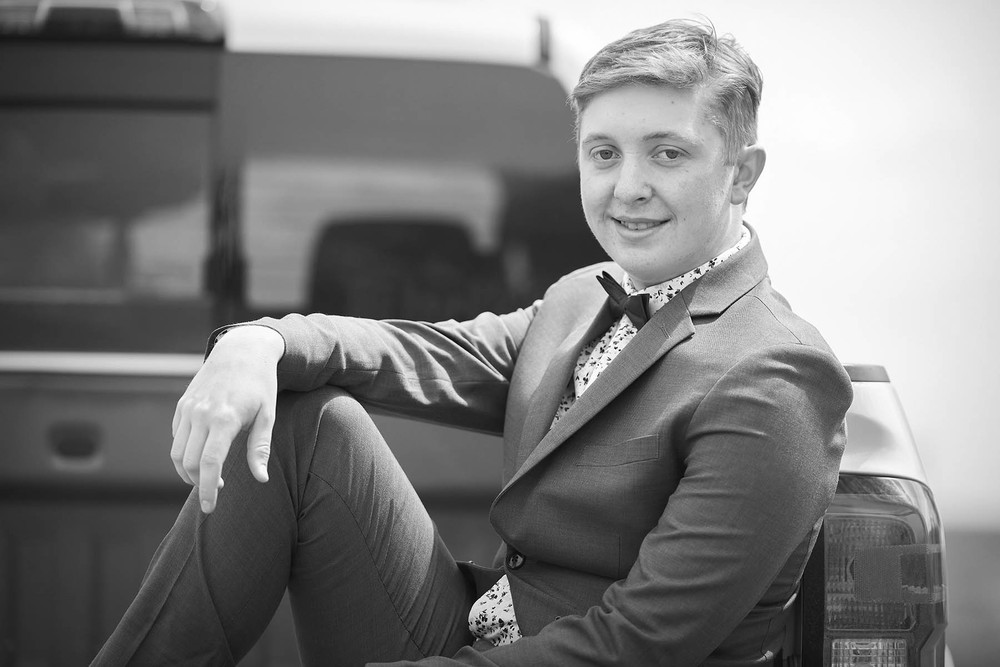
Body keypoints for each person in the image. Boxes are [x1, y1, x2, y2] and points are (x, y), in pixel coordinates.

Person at [93, 17, 852, 667]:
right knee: (306, 424)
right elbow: (427, 354)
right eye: (604, 153)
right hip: (477, 625)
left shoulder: (774, 374)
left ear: (742, 174)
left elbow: (640, 643)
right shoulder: (582, 296)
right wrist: (260, 342)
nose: (627, 187)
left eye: (668, 153)